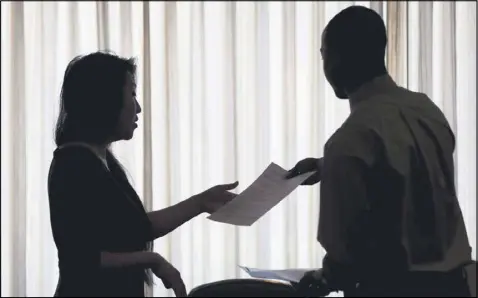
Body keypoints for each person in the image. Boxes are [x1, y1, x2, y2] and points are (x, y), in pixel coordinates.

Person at [286, 6, 473, 297]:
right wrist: (325, 166)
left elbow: (343, 259)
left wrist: (318, 279)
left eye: (323, 54)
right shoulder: (426, 110)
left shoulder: (348, 142)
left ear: (335, 59)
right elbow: (406, 164)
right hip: (456, 286)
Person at [48, 51, 239, 297]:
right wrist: (152, 259)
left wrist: (201, 202)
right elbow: (79, 260)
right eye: (132, 94)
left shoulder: (99, 161)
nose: (137, 107)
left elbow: (137, 228)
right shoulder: (73, 164)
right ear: (104, 98)